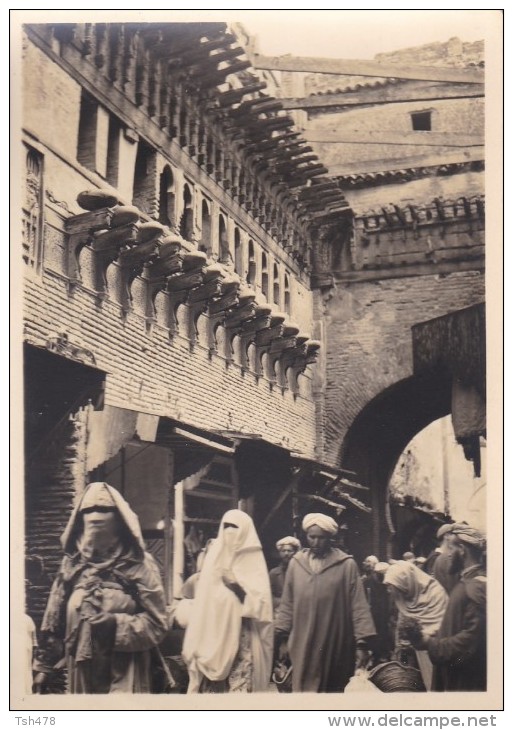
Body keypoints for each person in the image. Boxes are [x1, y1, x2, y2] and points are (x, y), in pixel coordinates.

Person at [32, 482, 168, 694]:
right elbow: (54, 619)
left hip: (126, 669)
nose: (95, 516)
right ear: (80, 518)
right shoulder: (72, 564)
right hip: (81, 672)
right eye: (89, 510)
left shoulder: (139, 564)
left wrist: (114, 625)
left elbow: (158, 623)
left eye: (104, 510)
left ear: (119, 518)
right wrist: (44, 668)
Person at [274, 513, 376, 692]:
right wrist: (282, 638)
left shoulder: (346, 565)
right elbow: (287, 603)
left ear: (330, 538)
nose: (315, 542)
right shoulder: (296, 564)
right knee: (304, 690)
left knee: (332, 688)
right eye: (311, 537)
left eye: (321, 538)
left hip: (335, 640)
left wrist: (362, 643)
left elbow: (358, 605)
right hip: (302, 639)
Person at [182, 509, 273, 693]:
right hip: (214, 634)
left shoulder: (253, 561)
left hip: (243, 636)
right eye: (226, 526)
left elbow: (261, 606)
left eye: (235, 527)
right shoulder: (214, 559)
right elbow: (205, 601)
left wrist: (236, 588)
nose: (229, 531)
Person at [410, 526, 487, 691]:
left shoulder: (475, 588)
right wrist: (436, 635)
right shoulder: (467, 583)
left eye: (451, 548)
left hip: (466, 685)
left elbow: (469, 643)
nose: (448, 554)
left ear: (462, 550)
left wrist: (432, 644)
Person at [383, 560, 448, 690]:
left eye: (393, 587)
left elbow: (444, 626)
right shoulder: (404, 597)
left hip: (436, 652)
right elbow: (401, 625)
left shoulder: (436, 594)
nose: (390, 591)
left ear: (405, 582)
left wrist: (424, 638)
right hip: (413, 656)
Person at [361, 556, 394, 663]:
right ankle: (377, 656)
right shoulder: (367, 582)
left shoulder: (386, 583)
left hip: (384, 615)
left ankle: (383, 655)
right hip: (372, 615)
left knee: (384, 634)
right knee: (375, 637)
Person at [269, 536, 301, 611]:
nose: (286, 553)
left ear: (296, 553)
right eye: (283, 551)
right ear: (279, 553)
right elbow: (269, 596)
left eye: (290, 551)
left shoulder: (302, 571)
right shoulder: (274, 573)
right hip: (279, 610)